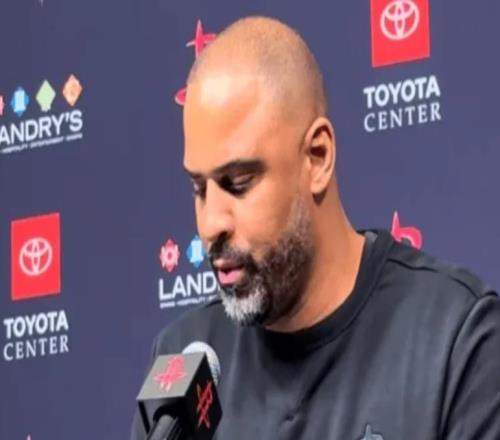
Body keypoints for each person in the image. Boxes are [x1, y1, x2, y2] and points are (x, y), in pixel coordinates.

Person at [131, 16, 500, 440]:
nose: (211, 223)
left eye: (238, 183)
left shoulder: (456, 340)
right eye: (199, 188)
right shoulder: (182, 359)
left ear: (318, 157)